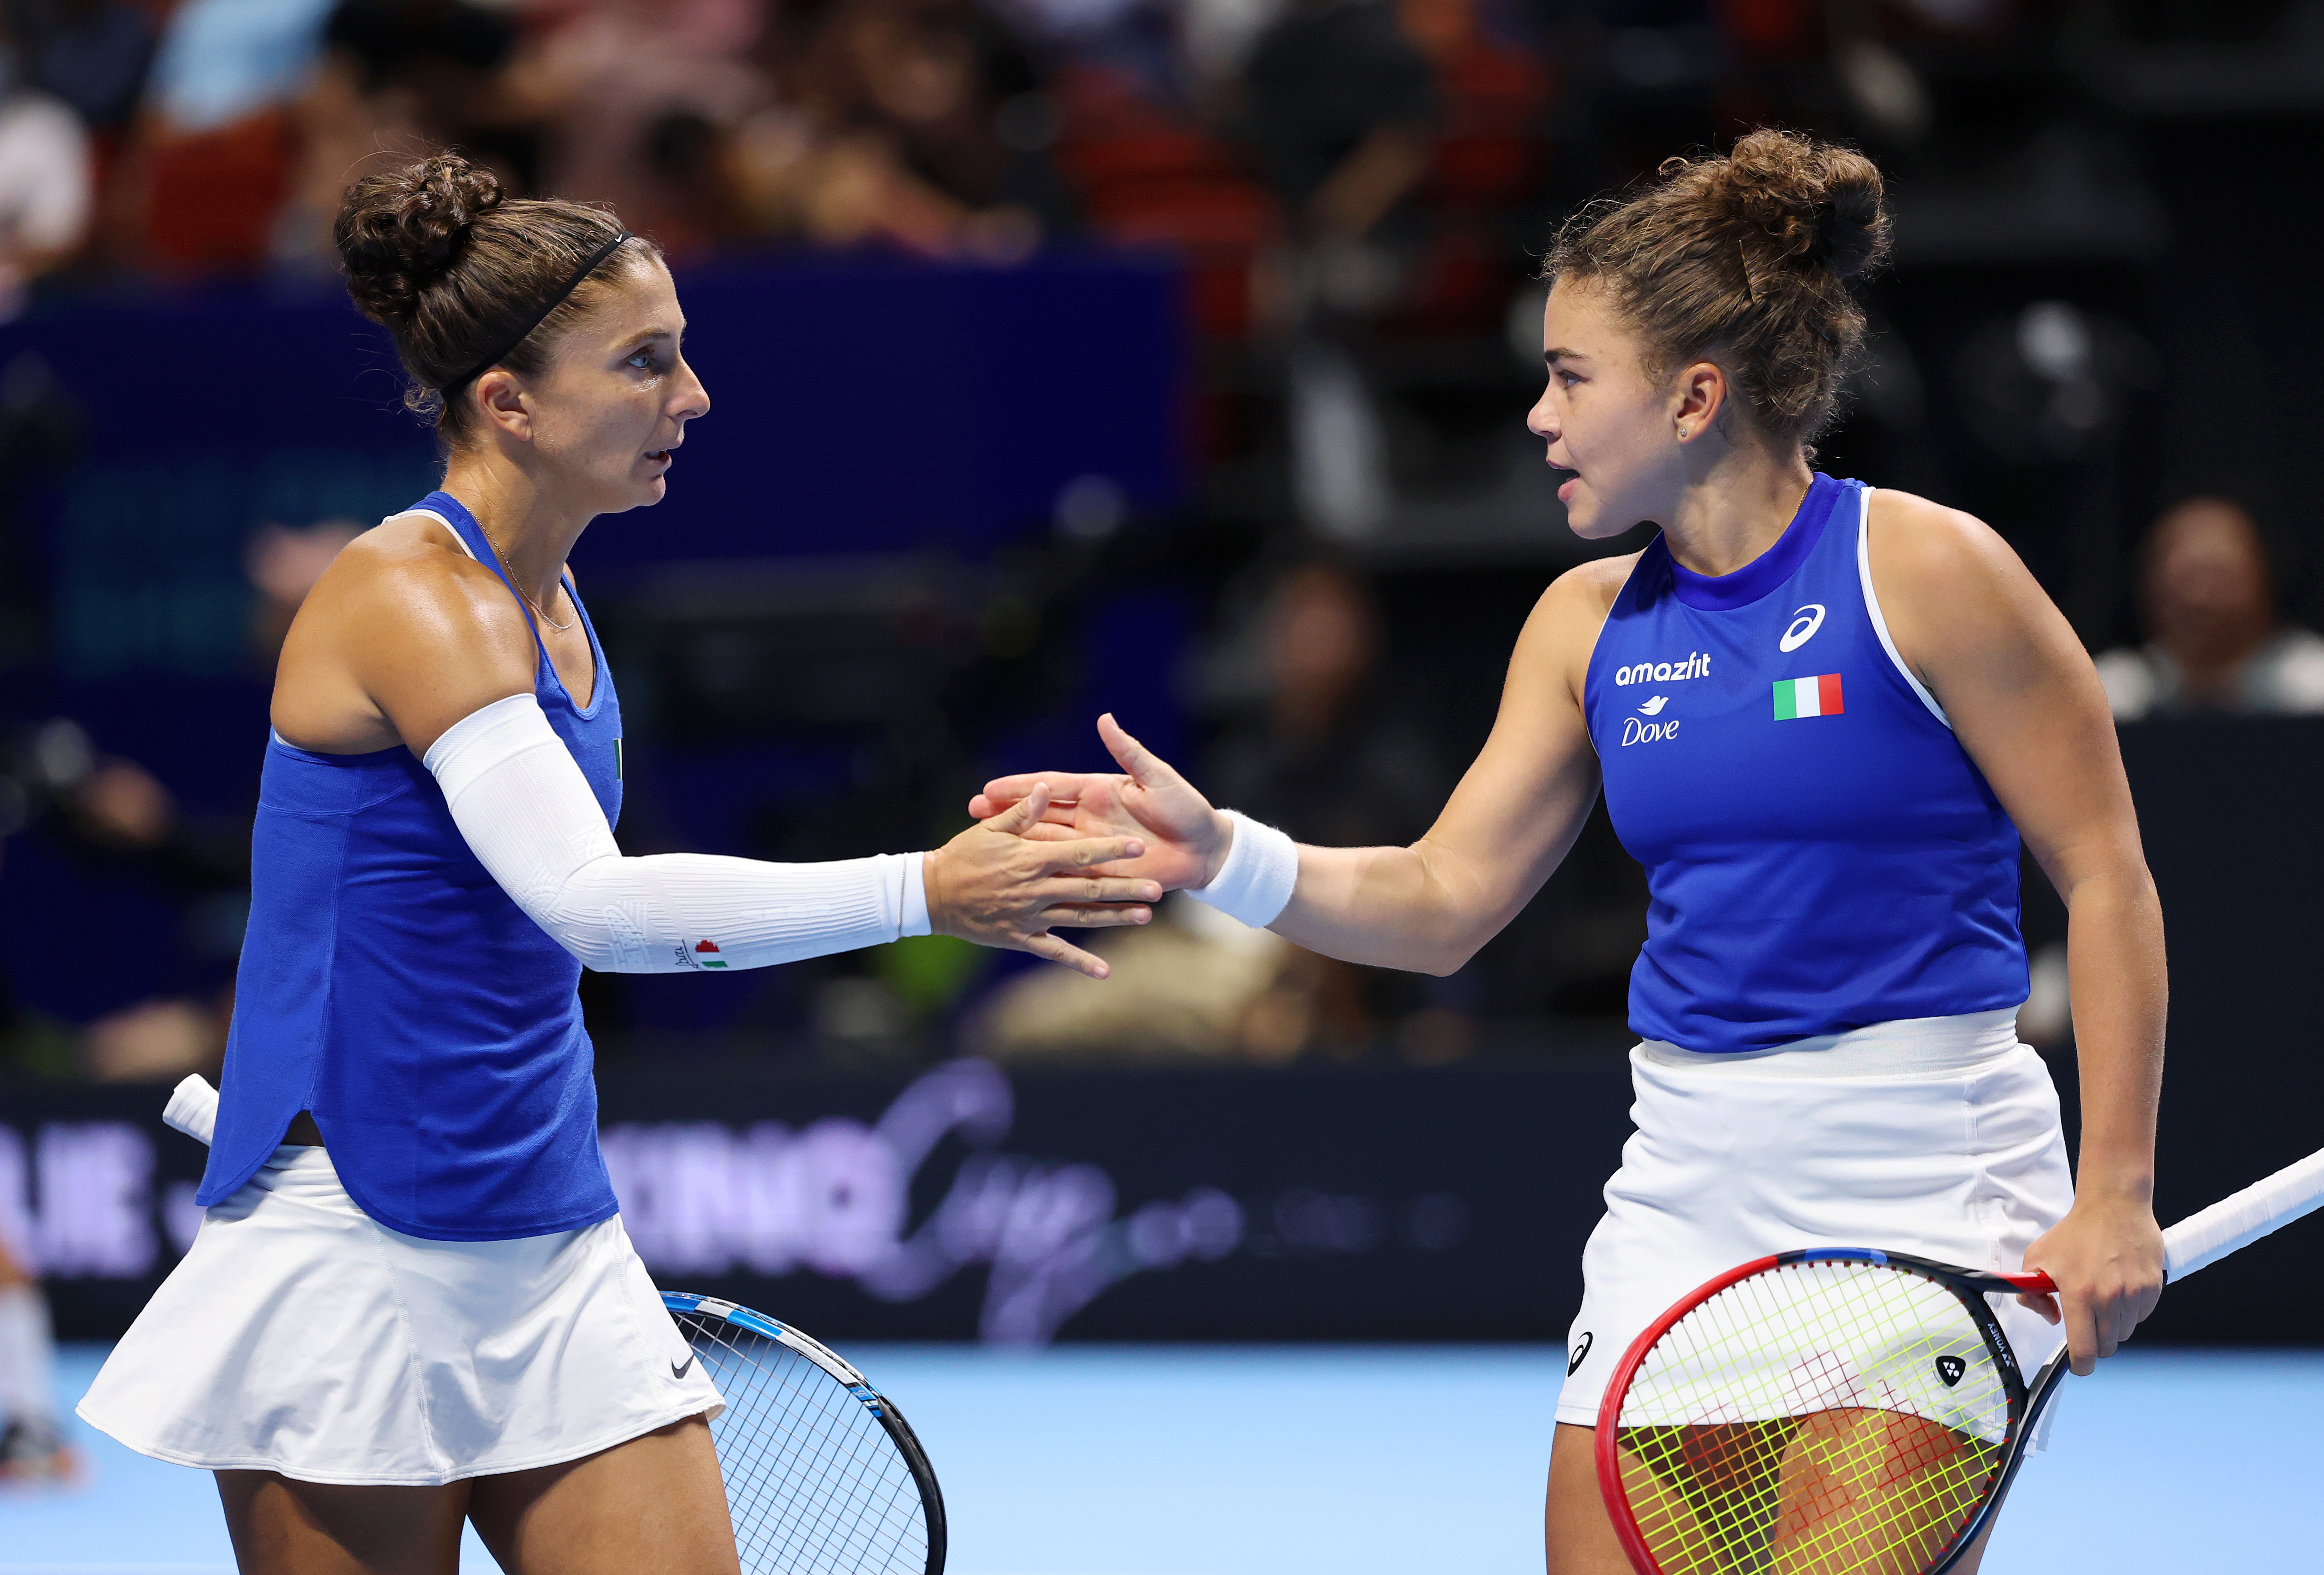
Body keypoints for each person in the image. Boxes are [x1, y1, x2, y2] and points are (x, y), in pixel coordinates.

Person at [972, 129, 2166, 1572]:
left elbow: (2105, 876)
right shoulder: (1582, 625)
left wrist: (2112, 1190)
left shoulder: (1929, 572)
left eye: (1568, 376)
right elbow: (1440, 899)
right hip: (1683, 1199)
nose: (1537, 415)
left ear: (1693, 395)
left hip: (1924, 1187)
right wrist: (1218, 850)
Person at [75, 151, 1158, 1575]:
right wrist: (927, 888)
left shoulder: (557, 599)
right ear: (506, 402)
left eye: (681, 354)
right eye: (645, 362)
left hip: (548, 1226)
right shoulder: (410, 594)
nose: (691, 396)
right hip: (347, 1246)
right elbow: (595, 907)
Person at [2093, 496, 2324, 719]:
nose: (2199, 597)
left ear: (2263, 579)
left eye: (2218, 574)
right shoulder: (2109, 695)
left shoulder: (2313, 687)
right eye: (2186, 577)